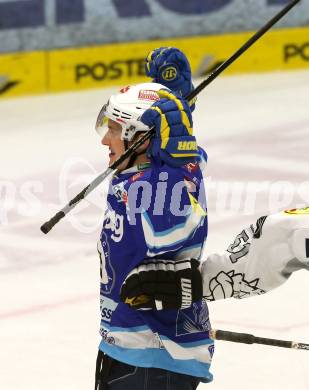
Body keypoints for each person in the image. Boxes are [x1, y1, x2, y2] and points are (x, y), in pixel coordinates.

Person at [94, 48, 211, 390]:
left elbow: (166, 230)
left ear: (139, 138)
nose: (105, 139)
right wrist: (175, 104)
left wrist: (175, 154)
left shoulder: (168, 183)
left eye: (114, 129)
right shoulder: (137, 175)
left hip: (154, 357)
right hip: (126, 348)